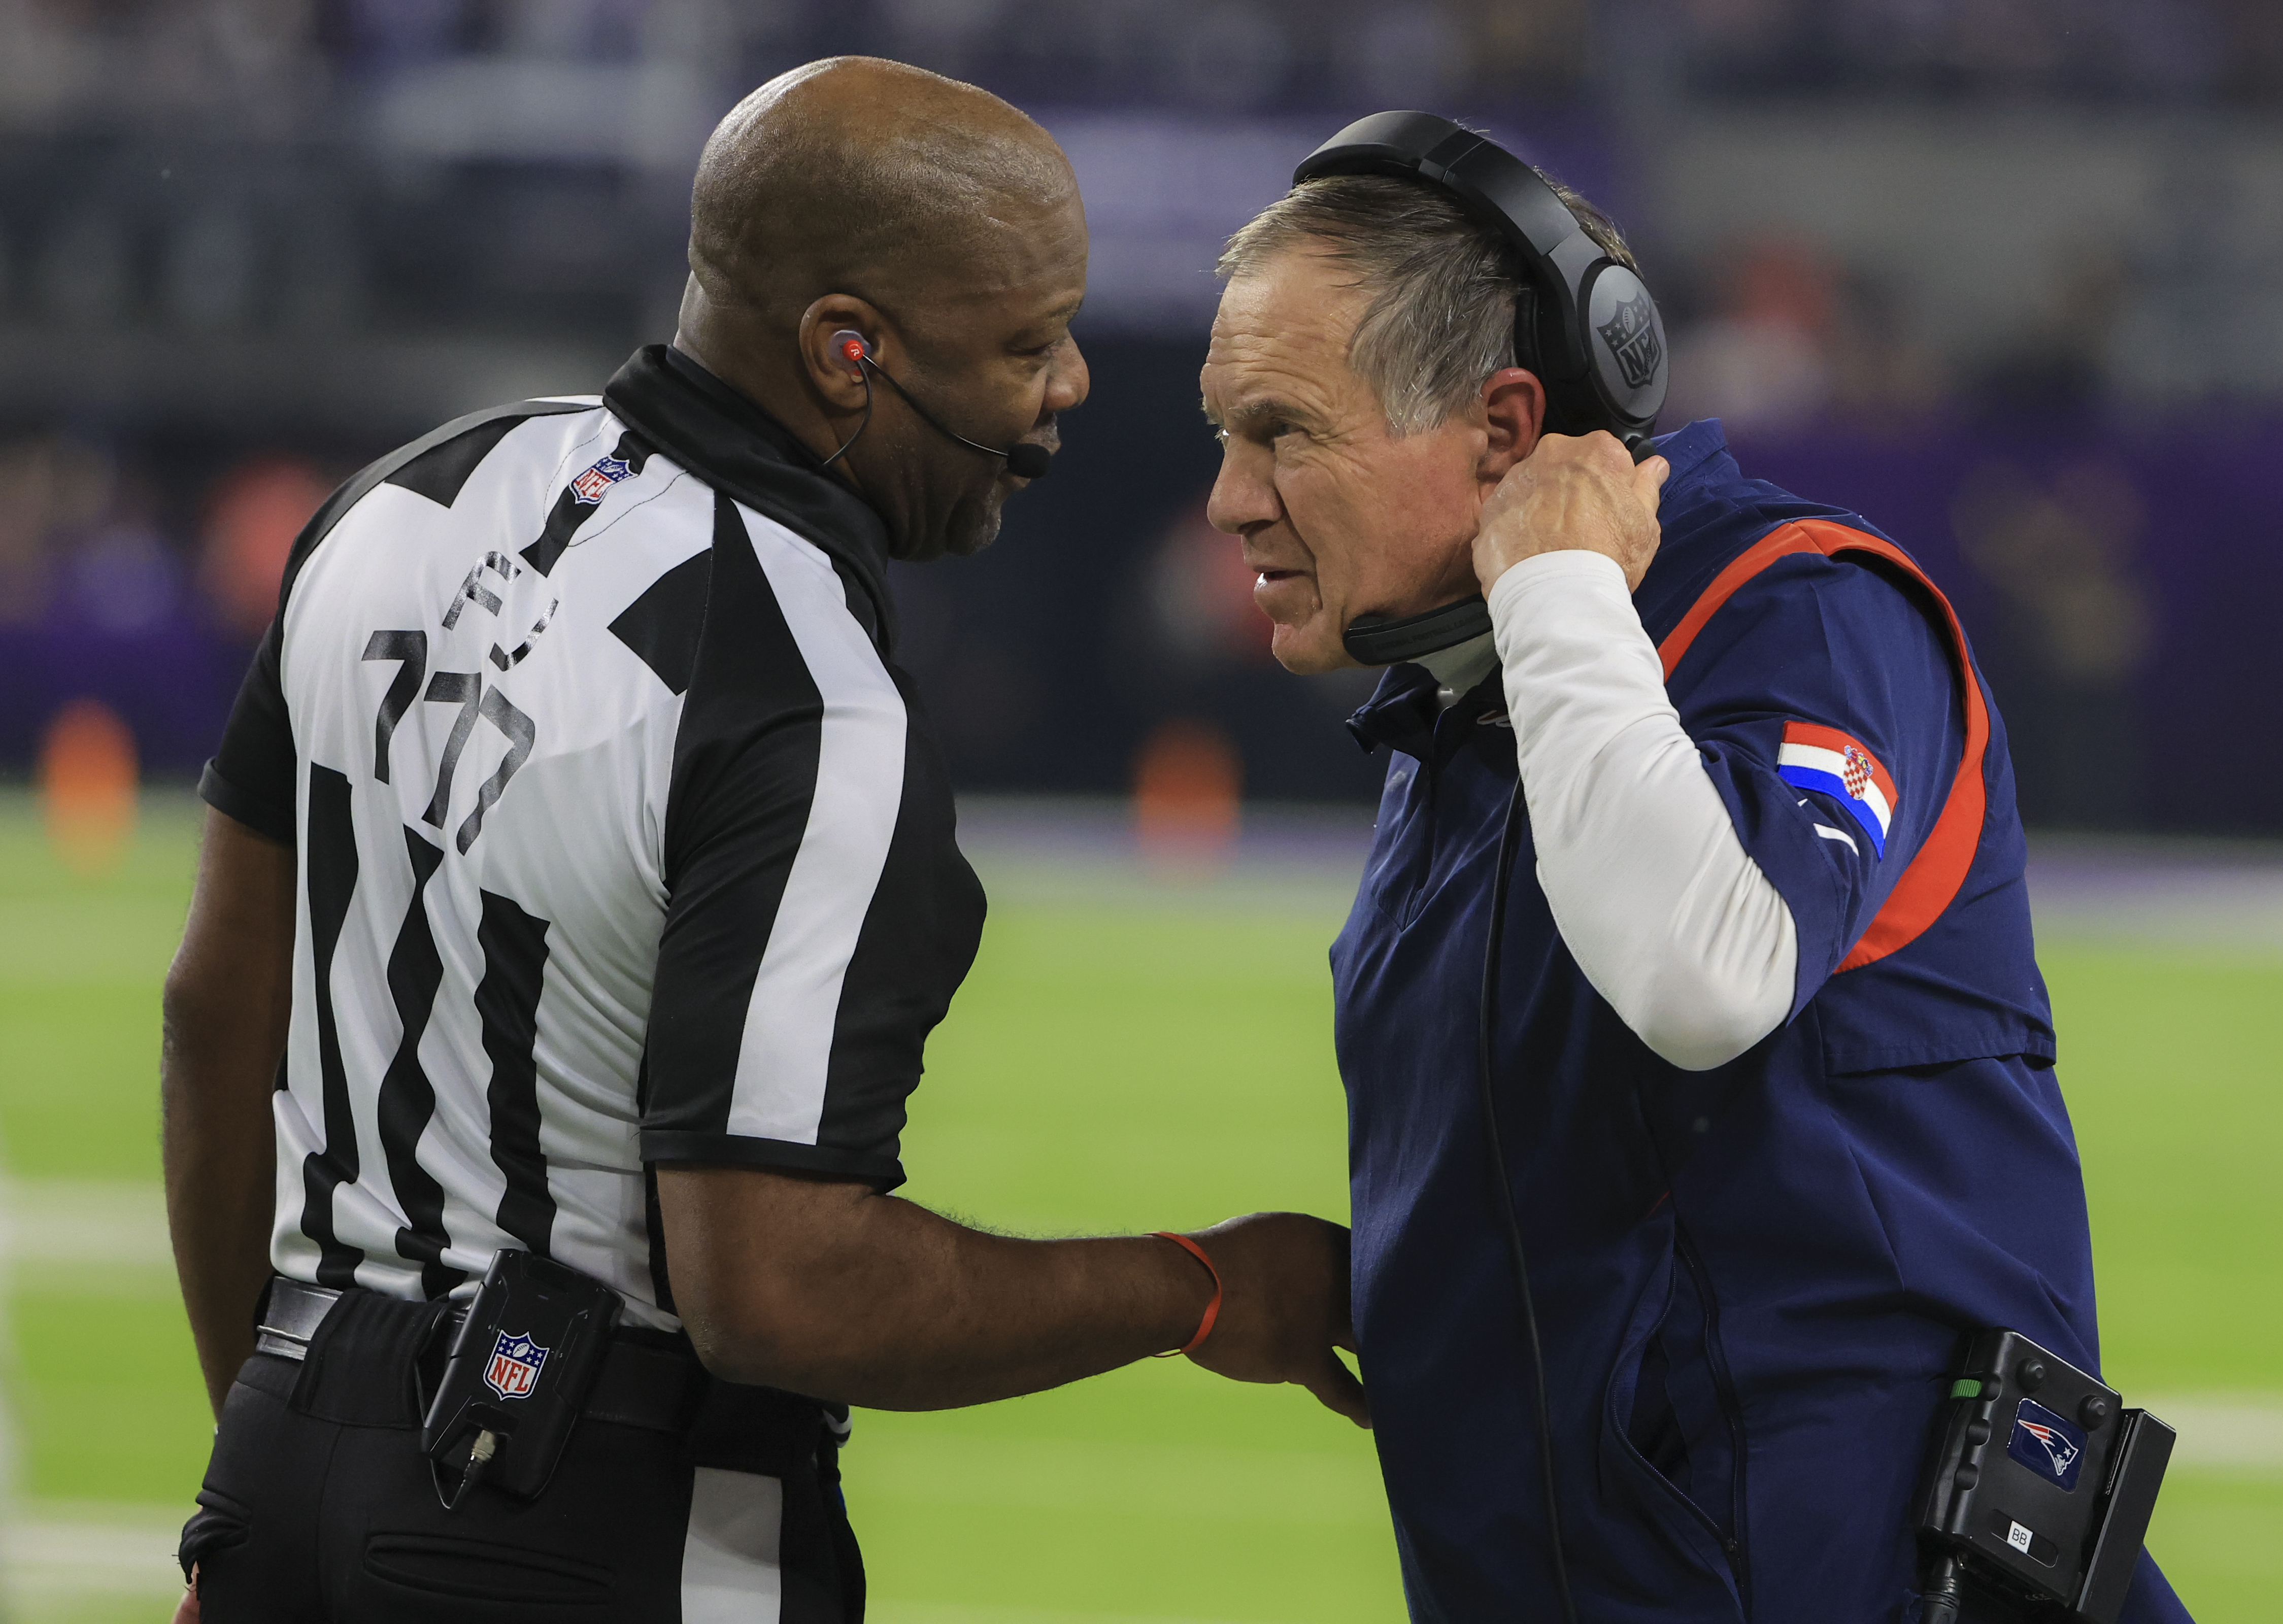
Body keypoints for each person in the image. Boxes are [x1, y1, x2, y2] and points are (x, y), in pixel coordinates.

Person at [162, 57, 1363, 1624]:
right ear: (845, 349)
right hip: (594, 1519)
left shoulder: (401, 499)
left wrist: (269, 1476)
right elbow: (779, 1291)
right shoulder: (802, 686)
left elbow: (209, 1017)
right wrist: (1207, 1289)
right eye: (1021, 344)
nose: (1067, 383)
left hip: (286, 1456)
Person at [1199, 130, 2193, 1622]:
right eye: (1224, 433)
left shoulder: (1797, 612)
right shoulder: (1473, 704)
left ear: (1505, 424)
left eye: (1282, 431)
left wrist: (1551, 577)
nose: (1229, 499)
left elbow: (1705, 976)